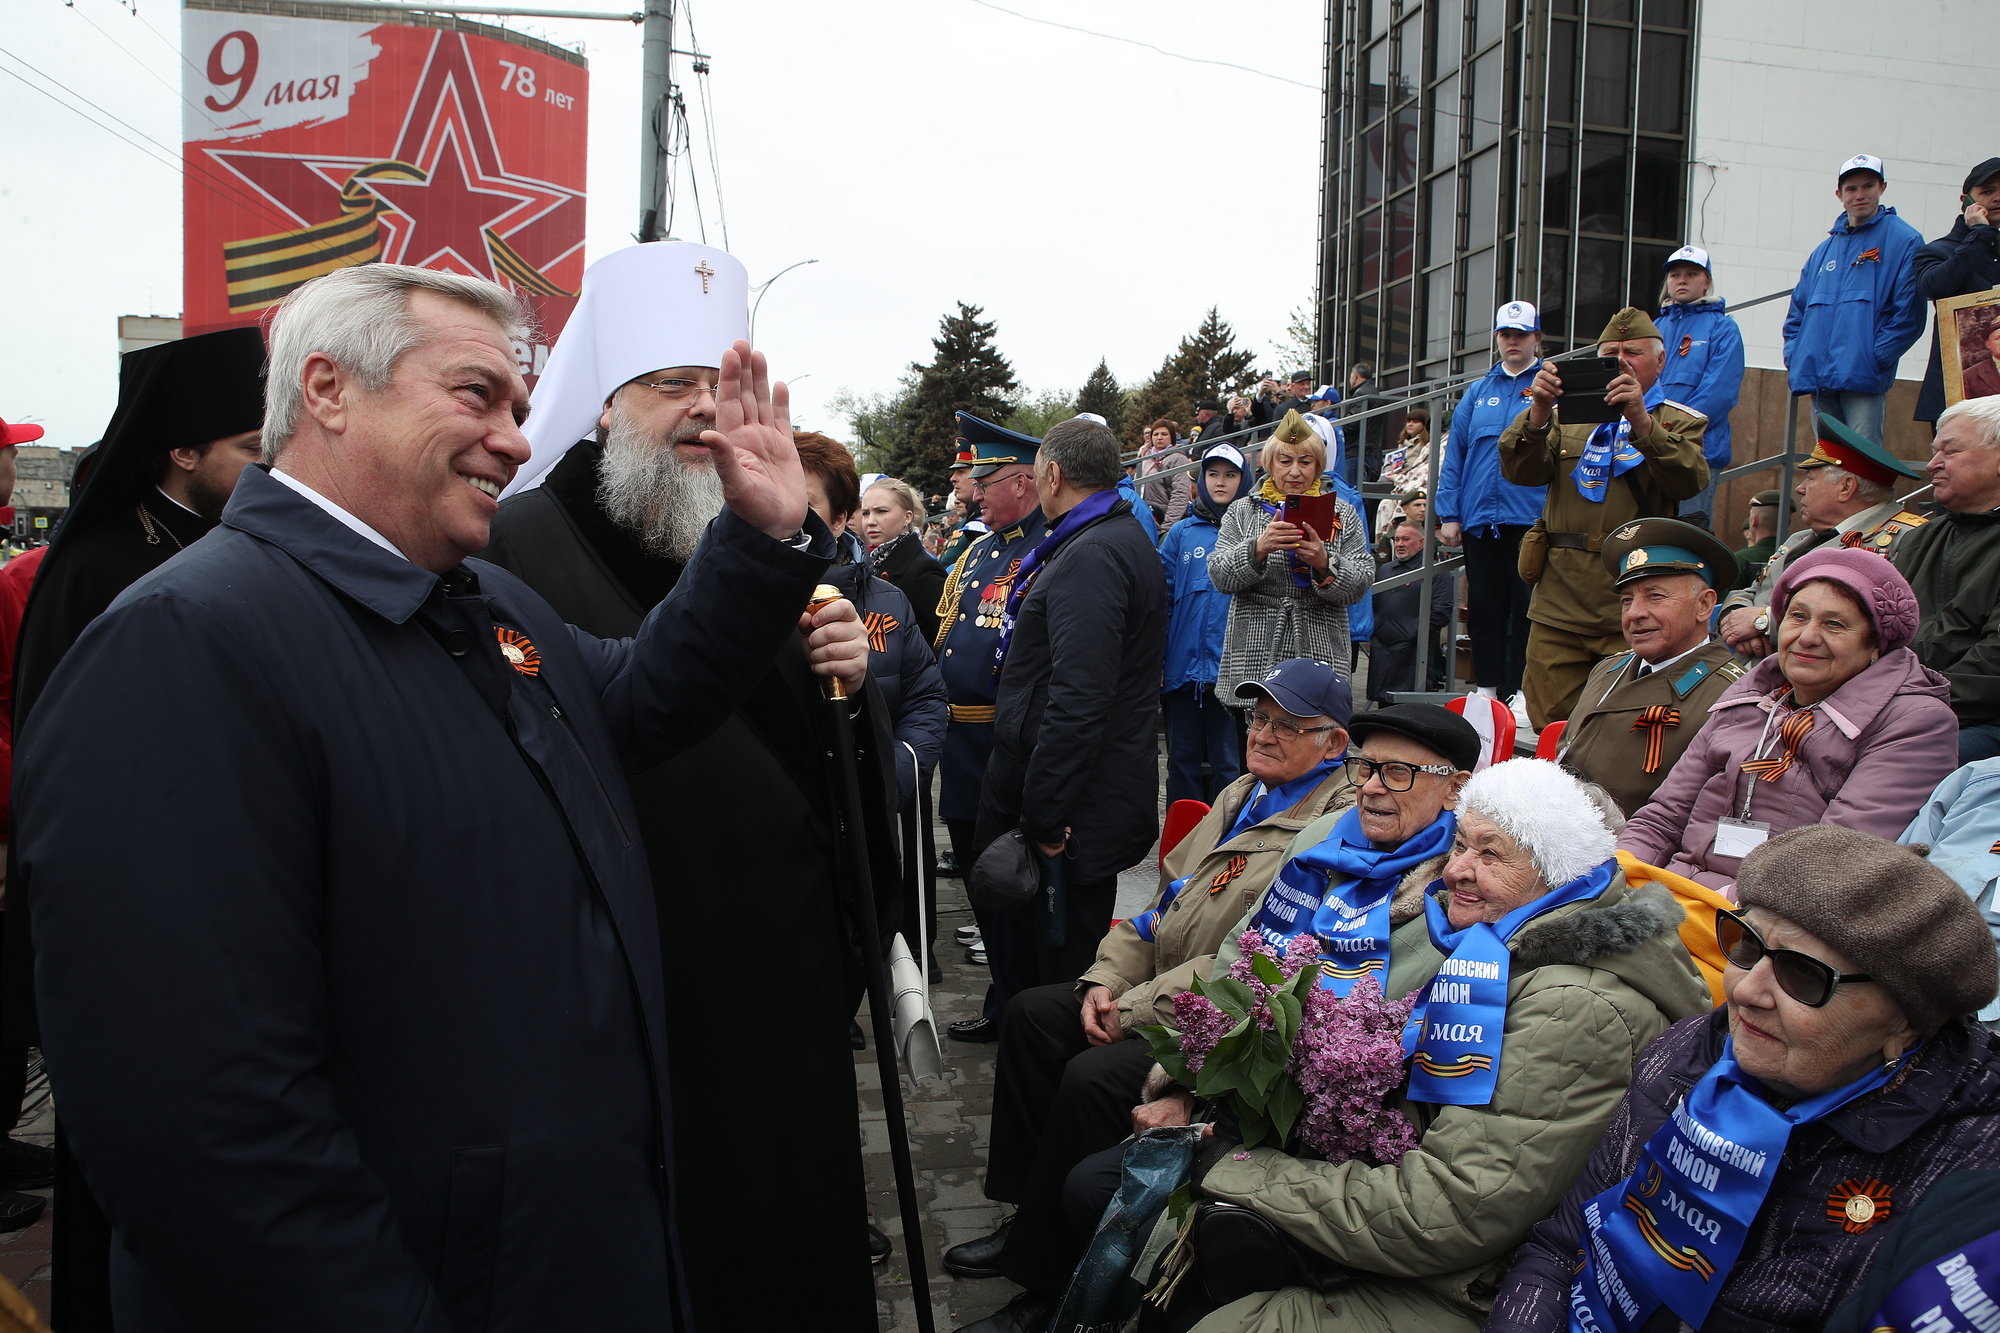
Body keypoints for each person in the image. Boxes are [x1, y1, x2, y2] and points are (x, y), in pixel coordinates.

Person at [15, 262, 869, 1331]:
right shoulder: (183, 645)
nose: (516, 437)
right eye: (475, 396)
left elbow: (643, 697)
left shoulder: (483, 605)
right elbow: (204, 1135)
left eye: (518, 405)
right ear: (325, 389)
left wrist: (756, 541)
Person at [473, 244, 891, 1330]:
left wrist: (847, 675)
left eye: (719, 387)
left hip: (783, 957)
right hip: (641, 961)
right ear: (604, 406)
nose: (702, 412)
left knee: (790, 1221)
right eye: (671, 387)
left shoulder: (757, 525)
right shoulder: (516, 543)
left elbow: (822, 746)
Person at [1130, 753, 1710, 1333]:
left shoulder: (1573, 1007)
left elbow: (1448, 1213)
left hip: (1466, 1287)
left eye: (1491, 854)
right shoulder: (1496, 948)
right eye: (1460, 845)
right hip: (1401, 1226)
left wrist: (1240, 1170)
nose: (1456, 869)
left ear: (1554, 872)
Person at [945, 660, 1358, 1331]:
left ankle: (1051, 1286)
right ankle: (1028, 1217)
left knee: (1090, 1075)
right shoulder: (1243, 793)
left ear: (1334, 743)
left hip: (1216, 1016)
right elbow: (1161, 906)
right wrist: (1108, 976)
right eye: (1258, 718)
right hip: (1157, 985)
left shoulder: (1327, 829)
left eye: (1288, 725)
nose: (1264, 733)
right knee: (1031, 1015)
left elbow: (1247, 964)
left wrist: (1130, 1006)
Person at [6, 326, 270, 1321]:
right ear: (182, 450)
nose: (267, 466)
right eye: (249, 448)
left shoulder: (246, 547)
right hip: (130, 922)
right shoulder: (96, 568)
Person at [1489, 825, 2000, 1333]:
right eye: (1746, 945)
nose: (1746, 991)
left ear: (1904, 1022)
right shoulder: (1695, 1047)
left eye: (1804, 976)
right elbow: (1561, 1246)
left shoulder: (1966, 1175)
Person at [974, 417, 1167, 1024]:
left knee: (1052, 982)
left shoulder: (1095, 552)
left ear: (1052, 475)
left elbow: (1080, 698)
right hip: (1074, 797)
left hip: (1071, 811)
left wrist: (1045, 816)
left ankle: (1040, 1094)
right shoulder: (1097, 539)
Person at [1620, 547, 1957, 893]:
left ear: (1876, 645)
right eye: (1798, 617)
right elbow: (1662, 818)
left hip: (1770, 923)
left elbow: (1831, 865)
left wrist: (1701, 909)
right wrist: (1614, 877)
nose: (1807, 637)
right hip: (1673, 895)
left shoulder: (1917, 723)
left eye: (1834, 624)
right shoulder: (1749, 697)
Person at [1498, 306, 1710, 728]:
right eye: (1610, 353)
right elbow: (1519, 471)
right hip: (1562, 595)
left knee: (1621, 725)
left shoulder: (1676, 420)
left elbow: (1689, 480)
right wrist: (1538, 410)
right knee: (1549, 722)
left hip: (1632, 597)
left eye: (1632, 352)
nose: (1621, 361)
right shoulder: (1564, 419)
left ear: (1660, 360)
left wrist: (1641, 422)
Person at [934, 414, 1050, 1042]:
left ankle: (1016, 1003)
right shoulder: (984, 546)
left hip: (1003, 744)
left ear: (1025, 481)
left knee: (1008, 885)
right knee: (981, 879)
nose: (974, 492)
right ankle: (1004, 994)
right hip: (962, 742)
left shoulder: (1045, 546)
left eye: (987, 480)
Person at [1558, 517, 1748, 816]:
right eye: (1626, 600)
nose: (1634, 613)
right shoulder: (1608, 670)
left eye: (1655, 596)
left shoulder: (1732, 694)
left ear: (1704, 606)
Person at [799, 437, 948, 813]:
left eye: (804, 503)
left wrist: (891, 776)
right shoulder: (730, 599)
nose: (783, 513)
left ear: (837, 519)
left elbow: (925, 695)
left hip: (873, 819)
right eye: (868, 513)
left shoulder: (892, 597)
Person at [1718, 414, 1929, 654]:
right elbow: (1751, 592)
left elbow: (1890, 623)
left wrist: (1764, 624)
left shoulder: (1910, 539)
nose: (1800, 489)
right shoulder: (1799, 538)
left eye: (1810, 479)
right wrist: (1734, 617)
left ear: (1846, 487)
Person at [1209, 410, 1371, 706]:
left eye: (1305, 462)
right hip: (1255, 645)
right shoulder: (1242, 511)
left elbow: (1361, 583)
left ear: (1319, 467)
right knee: (1257, 741)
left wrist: (1324, 562)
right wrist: (1258, 547)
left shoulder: (1342, 513)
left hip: (1320, 644)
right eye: (1286, 461)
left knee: (1316, 737)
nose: (1295, 471)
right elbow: (1219, 575)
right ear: (1270, 464)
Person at [1437, 301, 1550, 713]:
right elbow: (1455, 457)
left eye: (1521, 334)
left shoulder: (1550, 387)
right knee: (1485, 607)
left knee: (1527, 608)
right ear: (1498, 339)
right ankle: (1486, 690)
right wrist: (1449, 513)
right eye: (1506, 334)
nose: (1513, 342)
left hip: (1531, 519)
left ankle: (1523, 692)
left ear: (1537, 338)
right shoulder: (1478, 392)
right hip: (1481, 519)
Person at [1781, 153, 1927, 446]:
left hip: (1864, 376)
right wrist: (1796, 356)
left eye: (1868, 186)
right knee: (1827, 463)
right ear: (1839, 194)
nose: (1860, 195)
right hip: (1819, 375)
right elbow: (1797, 314)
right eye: (1851, 189)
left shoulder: (1905, 240)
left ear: (1882, 188)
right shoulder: (1823, 251)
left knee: (1863, 464)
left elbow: (1909, 315)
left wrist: (1873, 359)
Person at [1893, 396, 2000, 762]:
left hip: (1978, 723)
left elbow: (1991, 670)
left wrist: (1902, 705)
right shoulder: (1919, 539)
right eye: (1934, 451)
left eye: (1950, 452)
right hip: (1901, 705)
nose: (1931, 464)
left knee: (1904, 763)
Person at [1159, 442, 1249, 804]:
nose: (1220, 482)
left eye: (1230, 475)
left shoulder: (1252, 530)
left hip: (1231, 674)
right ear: (1200, 480)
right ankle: (1181, 840)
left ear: (1244, 481)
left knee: (1230, 763)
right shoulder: (1181, 533)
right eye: (1213, 474)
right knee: (1181, 761)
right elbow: (1161, 600)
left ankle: (1224, 838)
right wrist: (1159, 662)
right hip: (1182, 673)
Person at [1653, 246, 1746, 530]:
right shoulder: (1654, 327)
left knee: (1687, 535)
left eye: (1692, 274)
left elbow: (1719, 393)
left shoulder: (1723, 328)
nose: (1682, 280)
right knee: (1649, 534)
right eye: (1675, 274)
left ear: (1706, 282)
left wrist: (1670, 432)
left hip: (1697, 449)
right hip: (1651, 446)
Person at [1914, 157, 2000, 428]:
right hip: (1959, 396)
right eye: (1987, 192)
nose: (1998, 198)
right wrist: (1980, 234)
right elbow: (1934, 286)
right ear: (1965, 200)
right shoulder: (1938, 251)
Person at [1368, 518, 1452, 702]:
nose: (1399, 544)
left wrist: (1411, 633)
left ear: (1421, 542)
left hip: (1414, 653)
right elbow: (1374, 603)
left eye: (1406, 539)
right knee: (1383, 707)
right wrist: (1378, 629)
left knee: (1408, 708)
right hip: (1382, 649)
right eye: (1396, 539)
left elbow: (1441, 611)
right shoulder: (1385, 570)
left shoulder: (1435, 571)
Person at [859, 474, 946, 643]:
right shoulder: (870, 563)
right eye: (865, 513)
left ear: (907, 517)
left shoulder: (923, 569)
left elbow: (946, 638)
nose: (870, 521)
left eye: (881, 511)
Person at [1372, 404, 1434, 540]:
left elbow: (1420, 468)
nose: (1410, 425)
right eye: (1408, 421)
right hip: (1397, 479)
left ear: (1424, 425)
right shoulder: (1402, 444)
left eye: (1415, 422)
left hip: (1413, 480)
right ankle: (1385, 540)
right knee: (1381, 500)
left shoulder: (1427, 444)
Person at [1138, 419, 1189, 525]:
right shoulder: (1146, 458)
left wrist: (1168, 524)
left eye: (1164, 434)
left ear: (1172, 437)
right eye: (1156, 434)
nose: (1159, 437)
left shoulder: (1178, 459)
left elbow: (1180, 493)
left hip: (1164, 519)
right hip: (1145, 516)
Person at [1732, 488, 1779, 589]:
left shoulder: (1739, 560)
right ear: (1789, 522)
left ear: (1754, 520)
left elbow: (1724, 602)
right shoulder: (1797, 555)